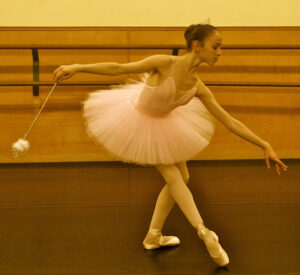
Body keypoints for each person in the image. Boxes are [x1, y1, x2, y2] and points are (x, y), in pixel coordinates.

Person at [53, 23, 288, 267]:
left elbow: (230, 121)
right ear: (197, 46)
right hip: (139, 123)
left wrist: (264, 144)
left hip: (166, 125)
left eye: (221, 48)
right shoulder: (164, 63)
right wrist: (77, 67)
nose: (220, 52)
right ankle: (203, 230)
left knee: (182, 177)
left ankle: (153, 236)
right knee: (173, 176)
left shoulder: (199, 87)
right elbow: (119, 68)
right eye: (216, 47)